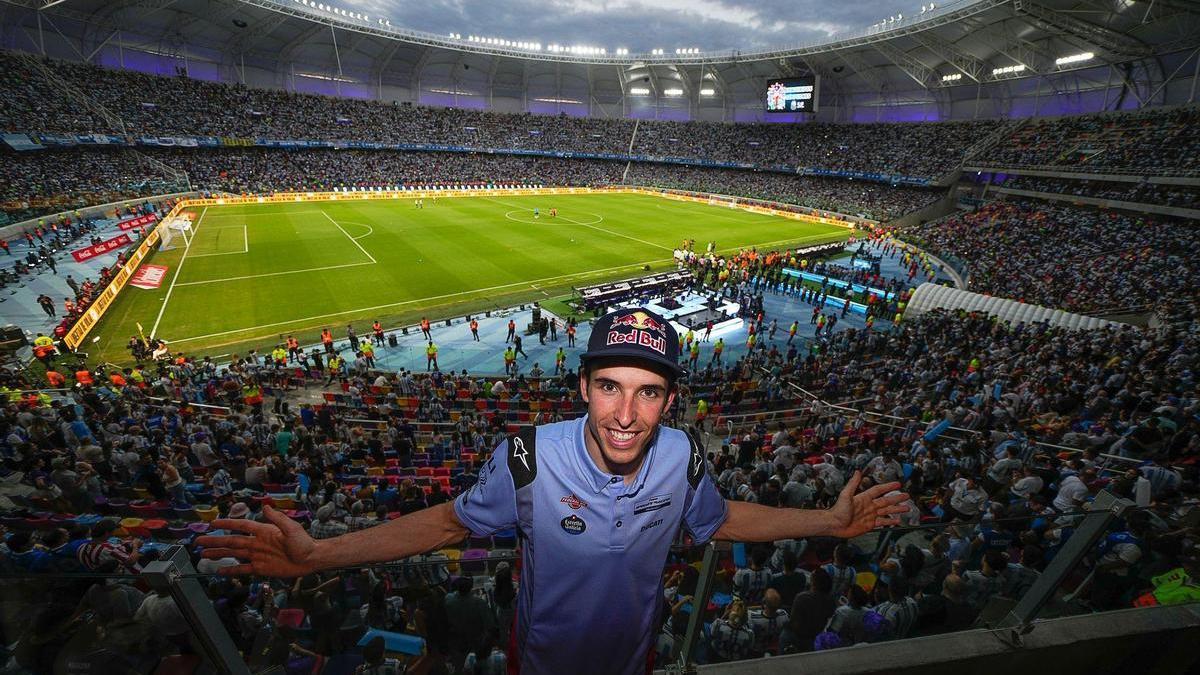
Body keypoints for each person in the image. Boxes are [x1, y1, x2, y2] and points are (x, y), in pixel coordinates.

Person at [198, 307, 908, 675]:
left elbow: (719, 520)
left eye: (648, 392)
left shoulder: (687, 455)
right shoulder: (526, 457)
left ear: (671, 400)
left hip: (635, 659)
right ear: (582, 387)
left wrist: (829, 519)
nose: (626, 415)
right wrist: (318, 554)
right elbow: (448, 523)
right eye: (609, 387)